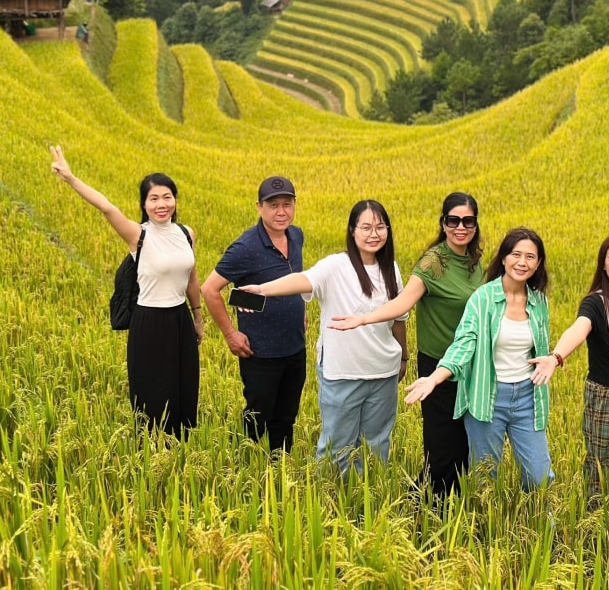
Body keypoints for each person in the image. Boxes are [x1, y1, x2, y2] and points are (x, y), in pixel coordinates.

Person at [330, 192, 484, 497]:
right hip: (439, 366)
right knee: (443, 445)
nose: (460, 227)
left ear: (476, 225)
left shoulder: (475, 260)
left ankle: (439, 498)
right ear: (443, 223)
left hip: (473, 364)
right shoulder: (432, 264)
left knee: (465, 443)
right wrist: (365, 319)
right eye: (453, 220)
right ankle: (431, 509)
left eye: (468, 221)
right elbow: (402, 303)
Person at [49, 145, 202, 437]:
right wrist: (70, 178)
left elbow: (192, 278)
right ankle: (153, 457)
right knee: (154, 397)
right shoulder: (138, 235)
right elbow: (106, 206)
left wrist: (197, 316)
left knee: (183, 390)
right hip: (150, 323)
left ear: (175, 199)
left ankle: (182, 454)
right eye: (153, 198)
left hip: (180, 320)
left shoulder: (186, 233)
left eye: (166, 197)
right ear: (144, 204)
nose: (161, 204)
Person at [245, 200, 406, 471]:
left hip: (383, 373)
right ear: (352, 231)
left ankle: (367, 503)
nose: (373, 234)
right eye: (366, 227)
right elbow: (303, 280)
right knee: (336, 450)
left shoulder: (392, 269)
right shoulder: (336, 266)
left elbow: (399, 320)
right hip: (343, 374)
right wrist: (263, 290)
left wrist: (404, 357)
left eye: (380, 227)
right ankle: (330, 505)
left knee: (377, 446)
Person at [405, 227, 553, 491]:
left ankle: (543, 527)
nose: (522, 262)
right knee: (485, 479)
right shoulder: (482, 299)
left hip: (528, 399)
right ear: (504, 258)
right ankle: (485, 528)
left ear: (538, 263)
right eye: (516, 254)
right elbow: (464, 344)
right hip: (488, 398)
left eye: (530, 257)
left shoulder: (538, 301)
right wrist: (435, 378)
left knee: (539, 477)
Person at [530, 233, 609, 504]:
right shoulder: (595, 303)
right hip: (605, 396)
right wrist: (556, 357)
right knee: (602, 467)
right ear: (604, 265)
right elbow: (579, 329)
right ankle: (598, 527)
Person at [200, 176, 306, 453]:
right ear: (259, 207)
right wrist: (230, 334)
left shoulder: (296, 236)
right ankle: (245, 464)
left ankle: (279, 467)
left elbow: (294, 279)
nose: (281, 211)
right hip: (260, 352)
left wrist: (300, 309)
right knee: (258, 417)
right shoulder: (245, 247)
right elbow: (210, 289)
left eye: (287, 204)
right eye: (273, 205)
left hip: (295, 347)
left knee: (286, 416)